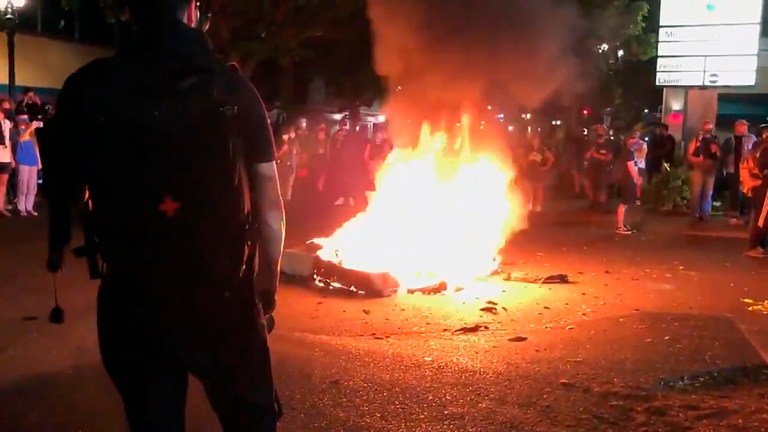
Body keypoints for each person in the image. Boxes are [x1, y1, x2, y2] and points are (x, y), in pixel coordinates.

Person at [43, 1, 285, 430]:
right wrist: (265, 286)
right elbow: (269, 209)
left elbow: (64, 187)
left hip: (132, 296)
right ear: (191, 11)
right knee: (252, 420)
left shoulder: (87, 88)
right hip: (222, 296)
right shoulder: (232, 90)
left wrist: (58, 242)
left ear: (129, 12)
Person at [721, 119, 757, 224]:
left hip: (746, 170)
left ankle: (747, 216)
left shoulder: (752, 138)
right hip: (732, 169)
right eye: (743, 126)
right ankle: (734, 215)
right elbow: (724, 154)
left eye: (746, 126)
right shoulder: (730, 140)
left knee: (747, 193)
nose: (746, 128)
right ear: (737, 127)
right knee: (734, 193)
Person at [741, 124, 768, 257]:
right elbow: (762, 168)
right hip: (763, 187)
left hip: (758, 186)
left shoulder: (758, 146)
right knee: (762, 218)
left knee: (759, 216)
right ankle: (755, 246)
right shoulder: (764, 148)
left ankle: (758, 245)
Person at [686, 121, 720, 222]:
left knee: (707, 193)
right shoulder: (697, 140)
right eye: (706, 129)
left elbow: (719, 155)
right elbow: (689, 155)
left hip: (710, 170)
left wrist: (716, 151)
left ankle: (704, 214)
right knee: (696, 193)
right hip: (698, 169)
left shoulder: (715, 140)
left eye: (710, 129)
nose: (708, 131)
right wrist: (696, 160)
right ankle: (695, 214)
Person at [14, 114, 42, 216]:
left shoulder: (32, 133)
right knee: (22, 186)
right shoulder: (17, 130)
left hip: (33, 161)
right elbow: (21, 139)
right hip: (23, 161)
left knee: (32, 186)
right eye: (23, 119)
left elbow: (36, 147)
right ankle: (21, 208)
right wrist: (30, 129)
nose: (26, 121)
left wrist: (39, 161)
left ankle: (29, 207)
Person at [616, 136, 644, 234]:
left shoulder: (626, 152)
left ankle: (621, 224)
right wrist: (637, 178)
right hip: (626, 180)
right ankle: (620, 226)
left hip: (625, 179)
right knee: (624, 203)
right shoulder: (629, 153)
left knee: (625, 203)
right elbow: (631, 167)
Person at [522, 133, 555, 212]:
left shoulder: (541, 149)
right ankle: (529, 209)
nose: (534, 141)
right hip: (530, 174)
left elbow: (551, 158)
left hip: (539, 175)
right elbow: (523, 159)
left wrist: (546, 167)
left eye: (535, 139)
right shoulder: (528, 149)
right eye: (532, 139)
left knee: (538, 192)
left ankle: (537, 210)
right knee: (529, 192)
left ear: (538, 140)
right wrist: (525, 166)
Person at [584, 125, 613, 211]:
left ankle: (603, 205)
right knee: (592, 186)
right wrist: (591, 153)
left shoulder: (608, 144)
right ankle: (593, 203)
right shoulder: (592, 144)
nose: (599, 134)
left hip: (603, 169)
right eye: (598, 132)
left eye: (601, 132)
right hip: (592, 168)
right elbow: (587, 156)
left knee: (602, 187)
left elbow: (609, 157)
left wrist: (597, 156)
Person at [626, 131, 647, 203]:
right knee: (631, 181)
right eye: (634, 134)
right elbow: (628, 153)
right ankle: (632, 197)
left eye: (637, 134)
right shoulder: (629, 143)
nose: (635, 136)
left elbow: (642, 155)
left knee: (639, 182)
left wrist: (634, 155)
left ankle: (638, 198)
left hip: (640, 165)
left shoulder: (643, 143)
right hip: (632, 164)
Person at [0, 108, 12, 216]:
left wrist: (11, 157)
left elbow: (8, 140)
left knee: (3, 184)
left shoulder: (7, 123)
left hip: (5, 156)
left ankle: (1, 207)